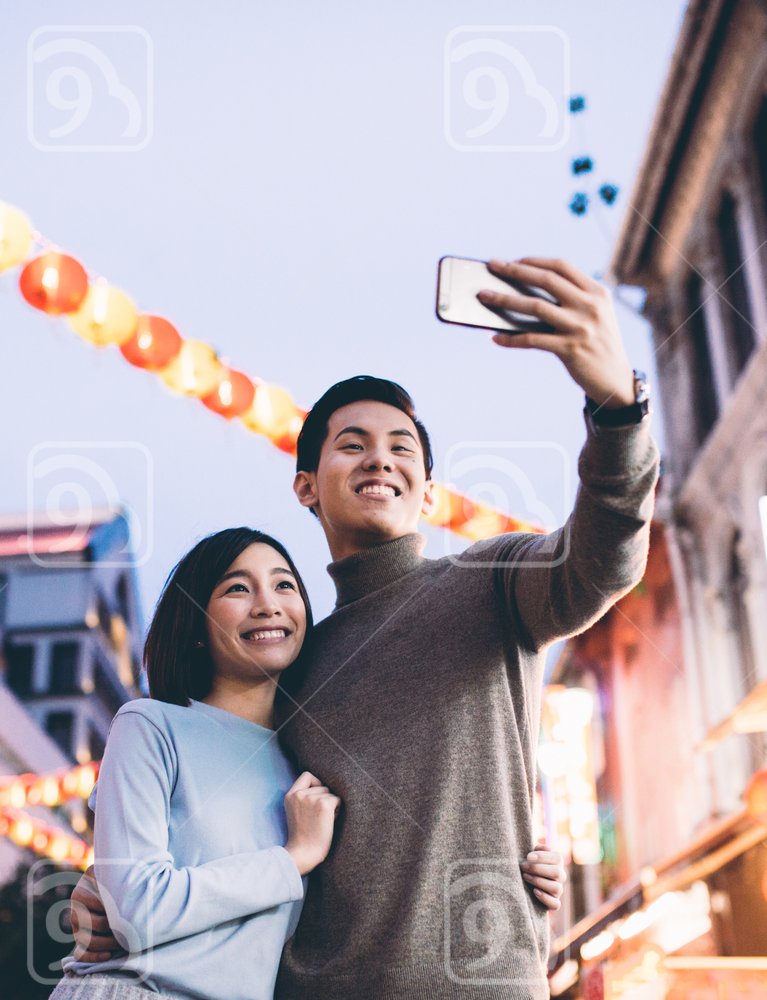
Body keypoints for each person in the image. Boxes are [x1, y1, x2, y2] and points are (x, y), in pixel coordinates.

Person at [72, 256, 655, 999]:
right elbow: (220, 810)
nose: (379, 456)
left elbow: (605, 558)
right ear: (306, 486)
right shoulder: (287, 666)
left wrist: (616, 410)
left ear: (429, 488)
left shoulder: (495, 584)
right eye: (352, 443)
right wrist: (104, 892)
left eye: (401, 446)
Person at [55, 528, 565, 1000]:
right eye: (238, 589)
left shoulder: (311, 770)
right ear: (195, 623)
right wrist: (292, 858)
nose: (267, 605)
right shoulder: (149, 727)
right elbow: (138, 912)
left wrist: (518, 865)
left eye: (284, 586)